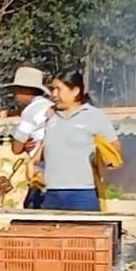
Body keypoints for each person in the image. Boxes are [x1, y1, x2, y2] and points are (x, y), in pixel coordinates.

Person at [37, 70, 119, 211]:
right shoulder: (50, 117)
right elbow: (44, 150)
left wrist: (100, 159)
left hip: (82, 193)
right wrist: (32, 163)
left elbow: (114, 149)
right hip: (50, 193)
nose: (54, 94)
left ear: (75, 91)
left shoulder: (94, 116)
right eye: (52, 89)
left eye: (59, 89)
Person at [8, 66, 52, 209]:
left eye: (17, 90)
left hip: (39, 172)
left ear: (27, 90)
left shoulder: (31, 111)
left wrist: (23, 145)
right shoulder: (49, 106)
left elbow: (16, 147)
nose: (15, 95)